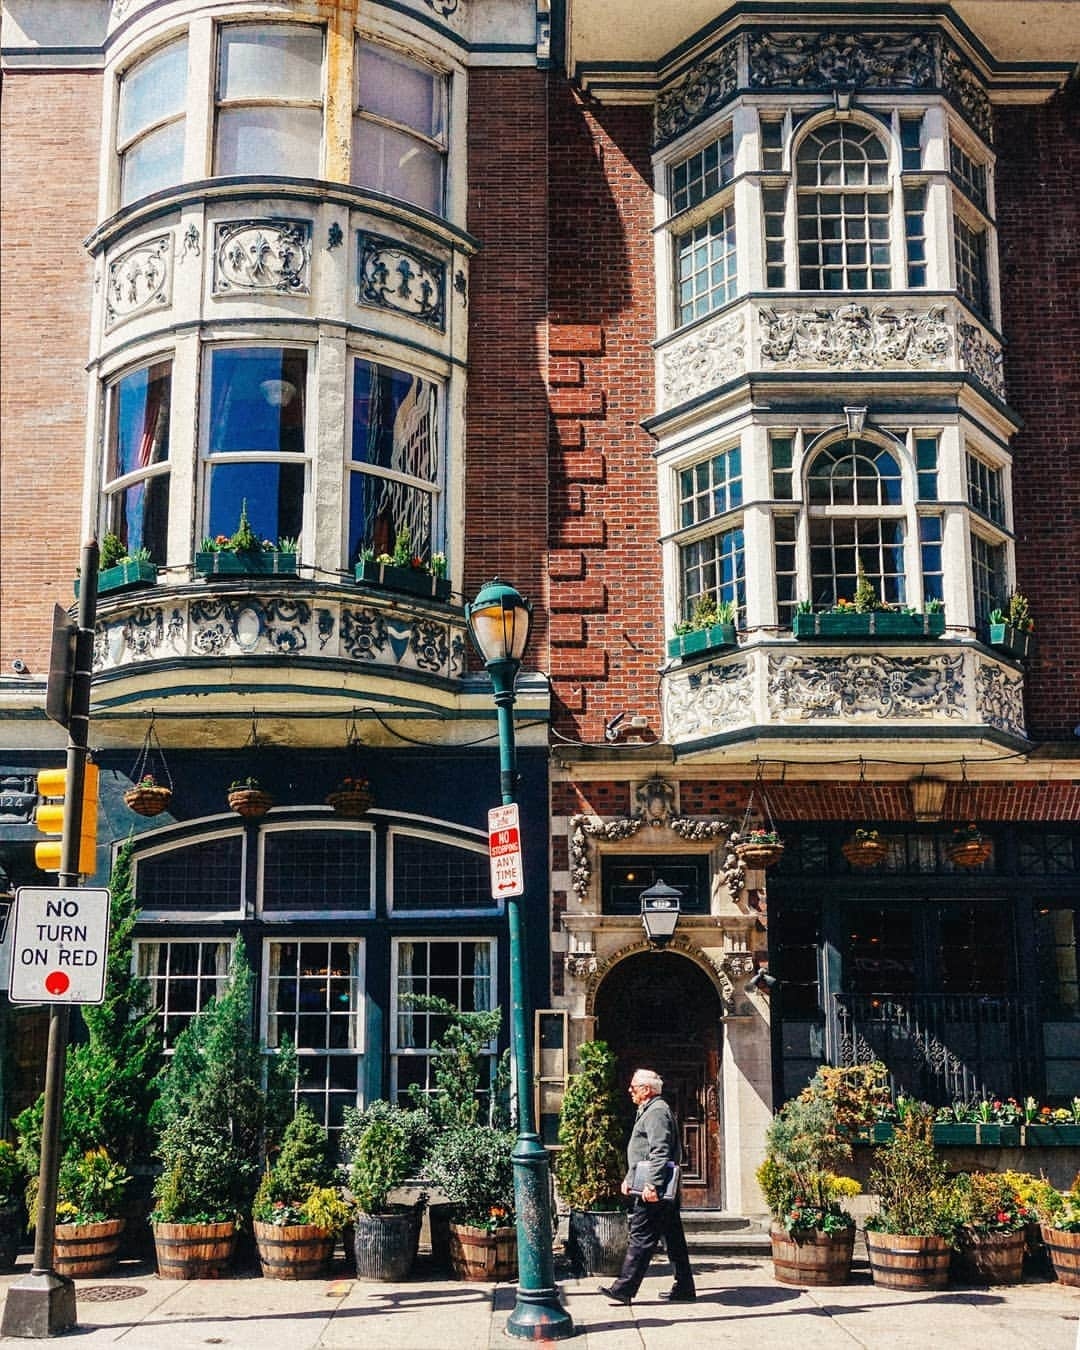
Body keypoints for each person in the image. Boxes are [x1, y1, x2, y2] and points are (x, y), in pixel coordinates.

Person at [599, 1068, 696, 1305]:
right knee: (673, 1238)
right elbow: (643, 1151)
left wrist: (652, 1184)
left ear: (647, 1089)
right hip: (651, 1186)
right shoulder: (651, 1110)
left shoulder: (656, 1112)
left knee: (641, 1236)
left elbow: (659, 1151)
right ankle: (684, 1288)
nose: (630, 1090)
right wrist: (630, 1179)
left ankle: (624, 1288)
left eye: (634, 1087)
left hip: (653, 1190)